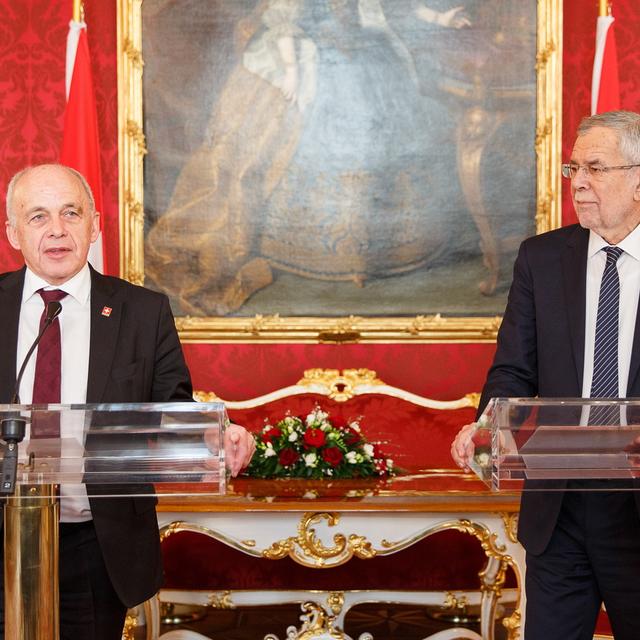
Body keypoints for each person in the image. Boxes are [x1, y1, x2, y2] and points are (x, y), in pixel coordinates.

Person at [0, 164, 256, 639]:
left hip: (94, 547)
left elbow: (169, 413)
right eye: (37, 216)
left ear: (95, 225)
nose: (56, 229)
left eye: (71, 213)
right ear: (12, 231)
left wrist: (219, 434)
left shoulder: (143, 311)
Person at [451, 110, 640, 640]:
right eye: (572, 168)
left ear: (639, 179)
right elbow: (512, 369)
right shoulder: (542, 258)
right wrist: (485, 427)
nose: (578, 181)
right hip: (560, 511)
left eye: (596, 168)